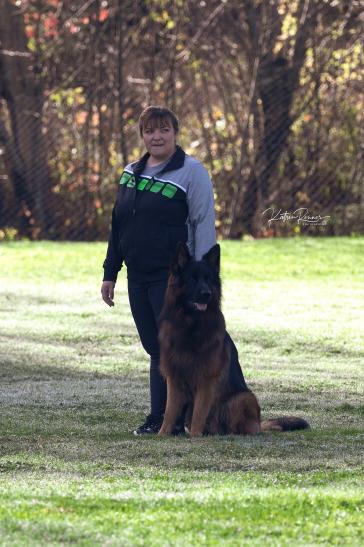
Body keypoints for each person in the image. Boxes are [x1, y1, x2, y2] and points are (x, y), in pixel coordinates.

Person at [101, 105, 247, 435]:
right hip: (136, 276)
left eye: (164, 129)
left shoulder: (191, 172)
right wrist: (111, 272)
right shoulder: (130, 173)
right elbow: (118, 225)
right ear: (142, 136)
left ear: (175, 133)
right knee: (156, 348)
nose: (157, 136)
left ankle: (164, 420)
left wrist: (202, 277)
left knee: (170, 349)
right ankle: (175, 419)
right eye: (150, 130)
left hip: (173, 280)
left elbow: (202, 222)